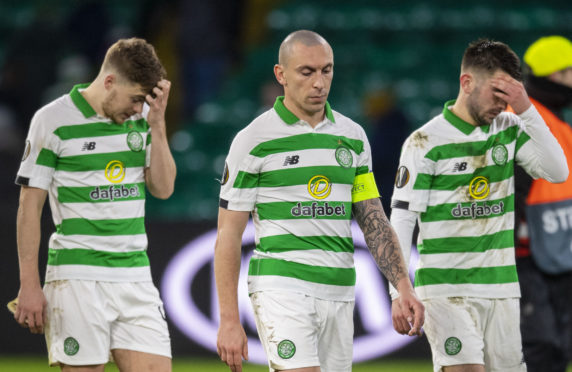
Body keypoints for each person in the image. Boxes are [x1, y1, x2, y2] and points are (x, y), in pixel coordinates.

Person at [214, 29, 424, 372]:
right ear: (281, 75)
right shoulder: (253, 141)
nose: (319, 82)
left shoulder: (353, 137)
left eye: (326, 70)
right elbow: (228, 235)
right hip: (281, 284)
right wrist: (228, 320)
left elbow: (373, 220)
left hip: (339, 289)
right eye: (306, 72)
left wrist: (402, 287)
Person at [389, 38, 568, 372]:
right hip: (445, 288)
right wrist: (398, 290)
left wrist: (526, 107)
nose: (502, 104)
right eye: (496, 94)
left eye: (508, 96)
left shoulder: (510, 129)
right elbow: (401, 219)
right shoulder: (425, 142)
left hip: (502, 288)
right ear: (467, 82)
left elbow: (558, 171)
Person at [13, 37, 176, 372]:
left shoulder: (143, 120)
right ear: (109, 81)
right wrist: (29, 284)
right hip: (78, 277)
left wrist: (158, 126)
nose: (136, 108)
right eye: (134, 99)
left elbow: (163, 189)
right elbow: (30, 206)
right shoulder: (52, 120)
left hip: (135, 276)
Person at [513, 35, 572, 372]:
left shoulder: (554, 120)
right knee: (541, 348)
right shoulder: (525, 122)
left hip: (556, 252)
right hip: (525, 257)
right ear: (556, 75)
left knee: (558, 347)